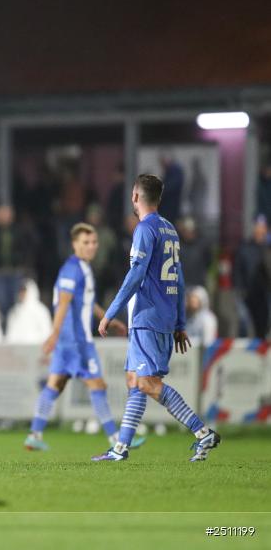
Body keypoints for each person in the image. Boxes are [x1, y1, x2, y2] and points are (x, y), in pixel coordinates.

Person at [94, 174, 220, 462]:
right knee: (137, 380)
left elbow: (135, 274)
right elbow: (179, 279)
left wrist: (109, 312)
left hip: (147, 316)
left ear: (135, 197)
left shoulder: (144, 229)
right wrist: (179, 323)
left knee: (147, 383)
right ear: (159, 198)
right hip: (162, 318)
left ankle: (202, 432)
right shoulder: (170, 230)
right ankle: (120, 448)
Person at [24, 224, 140, 452]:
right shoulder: (72, 269)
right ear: (75, 244)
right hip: (76, 340)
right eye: (86, 242)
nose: (91, 246)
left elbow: (85, 302)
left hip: (70, 340)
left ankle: (34, 434)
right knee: (97, 384)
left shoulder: (82, 269)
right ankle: (117, 438)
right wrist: (55, 334)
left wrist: (108, 318)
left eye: (94, 242)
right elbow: (64, 303)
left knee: (55, 384)